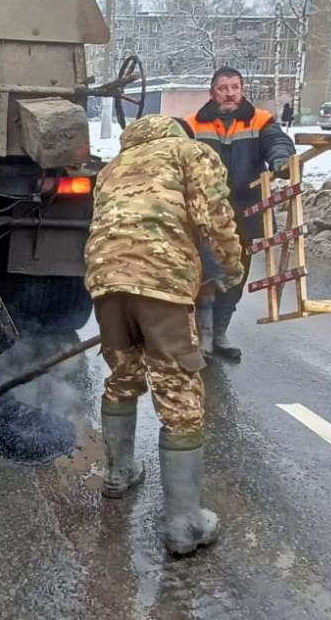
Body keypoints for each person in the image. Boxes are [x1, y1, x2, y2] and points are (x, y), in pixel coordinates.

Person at [85, 114, 244, 555]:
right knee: (179, 397)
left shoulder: (114, 166)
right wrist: (232, 269)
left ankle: (118, 475)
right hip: (161, 281)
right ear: (178, 132)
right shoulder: (190, 152)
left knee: (123, 374)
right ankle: (184, 525)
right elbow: (213, 217)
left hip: (105, 280)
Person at [185, 68, 295, 360]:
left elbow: (278, 142)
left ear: (242, 90)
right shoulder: (193, 125)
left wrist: (281, 160)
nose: (229, 93)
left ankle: (219, 334)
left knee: (234, 275)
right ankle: (202, 337)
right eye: (223, 88)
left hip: (243, 214)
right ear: (212, 92)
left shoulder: (260, 121)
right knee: (204, 274)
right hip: (204, 215)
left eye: (234, 87)